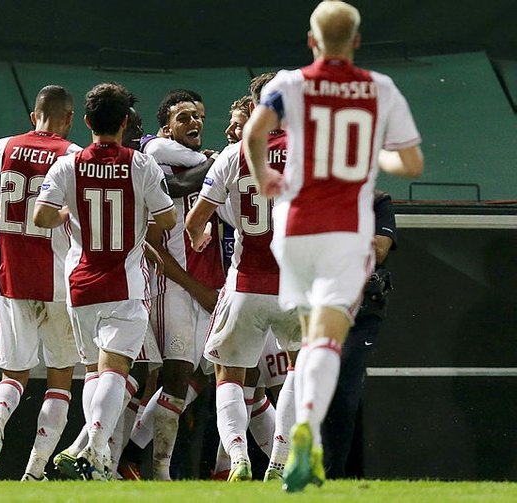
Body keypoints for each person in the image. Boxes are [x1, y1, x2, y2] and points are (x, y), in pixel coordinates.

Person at [243, 0, 423, 492]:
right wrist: (375, 155)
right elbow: (411, 164)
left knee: (308, 336)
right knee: (327, 338)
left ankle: (303, 441)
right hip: (346, 231)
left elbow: (254, 134)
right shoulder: (379, 88)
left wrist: (264, 176)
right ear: (358, 41)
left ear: (311, 40)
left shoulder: (290, 83)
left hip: (295, 229)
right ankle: (306, 433)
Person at [34, 82, 176, 481]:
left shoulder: (68, 164)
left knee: (95, 373)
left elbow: (42, 217)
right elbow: (167, 219)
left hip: (81, 283)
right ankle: (96, 450)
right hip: (125, 283)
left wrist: (68, 214)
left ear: (86, 121)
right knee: (116, 370)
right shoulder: (141, 164)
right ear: (125, 121)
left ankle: (91, 456)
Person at [185, 76, 301, 481]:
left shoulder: (234, 155)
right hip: (295, 285)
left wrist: (199, 236)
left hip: (246, 283)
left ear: (254, 109)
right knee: (298, 369)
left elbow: (195, 220)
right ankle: (281, 461)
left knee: (228, 375)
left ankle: (238, 458)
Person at [0, 85, 82, 481]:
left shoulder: (4, 147)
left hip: (12, 278)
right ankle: (34, 470)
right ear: (68, 119)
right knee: (60, 377)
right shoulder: (71, 155)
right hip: (58, 281)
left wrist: (10, 207)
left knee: (13, 375)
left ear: (34, 116)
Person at [120, 90, 223, 481]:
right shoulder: (157, 156)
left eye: (198, 116)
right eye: (184, 117)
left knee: (200, 374)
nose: (195, 122)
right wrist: (217, 162)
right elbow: (158, 236)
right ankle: (148, 467)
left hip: (204, 285)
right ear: (166, 128)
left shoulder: (197, 163)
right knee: (171, 373)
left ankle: (128, 456)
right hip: (171, 284)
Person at [321, 189, 396, 478]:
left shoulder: (377, 201)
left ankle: (335, 474)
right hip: (317, 309)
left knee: (343, 389)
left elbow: (379, 249)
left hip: (361, 313)